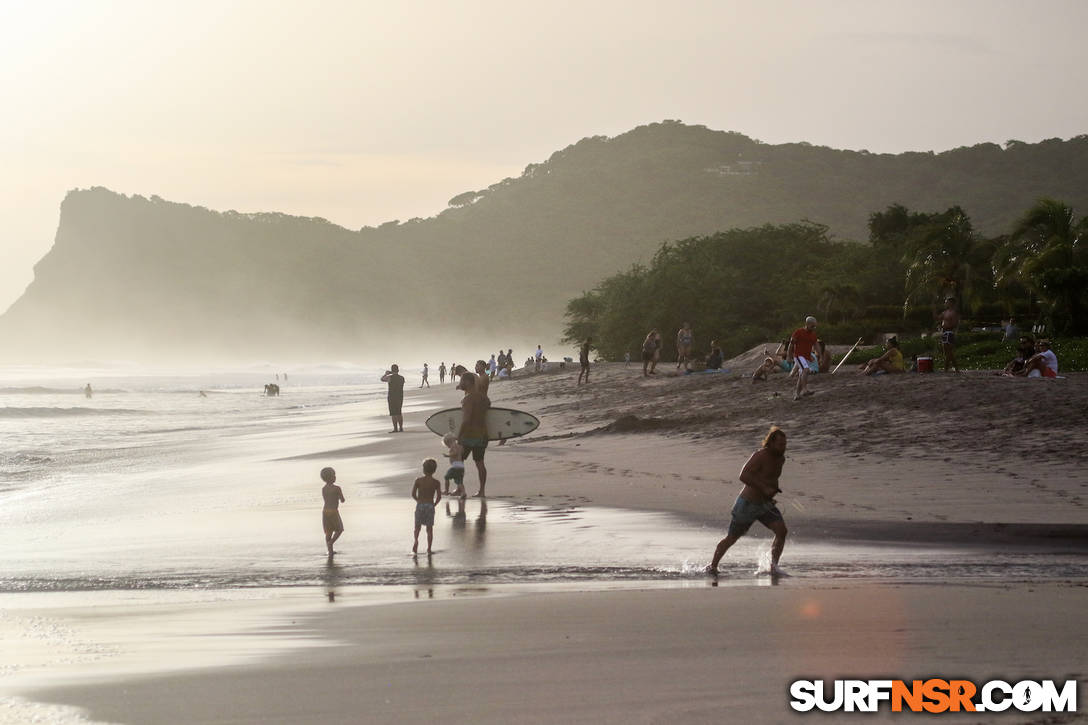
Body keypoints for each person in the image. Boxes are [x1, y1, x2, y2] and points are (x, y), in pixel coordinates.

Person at [707, 427, 789, 575]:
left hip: (765, 505)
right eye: (780, 444)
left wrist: (771, 494)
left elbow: (770, 478)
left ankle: (773, 567)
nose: (783, 447)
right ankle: (712, 566)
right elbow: (743, 476)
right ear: (770, 443)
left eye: (785, 444)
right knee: (732, 538)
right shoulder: (760, 455)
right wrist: (764, 488)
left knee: (782, 531)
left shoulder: (781, 459)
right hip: (747, 504)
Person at [457, 372, 490, 497]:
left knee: (458, 460)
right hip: (482, 435)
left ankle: (460, 488)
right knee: (480, 462)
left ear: (468, 382)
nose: (460, 384)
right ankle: (482, 491)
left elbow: (466, 421)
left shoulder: (467, 399)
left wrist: (459, 437)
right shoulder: (484, 398)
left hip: (469, 436)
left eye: (462, 381)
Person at [411, 458, 442, 555]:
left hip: (420, 505)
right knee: (429, 529)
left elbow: (413, 494)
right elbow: (439, 497)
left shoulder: (418, 480)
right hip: (430, 505)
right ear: (434, 470)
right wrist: (434, 505)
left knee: (417, 527)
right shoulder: (436, 482)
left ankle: (416, 541)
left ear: (423, 469)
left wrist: (418, 501)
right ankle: (429, 549)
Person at [787, 316, 819, 400]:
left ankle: (797, 394)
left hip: (806, 357)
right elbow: (791, 344)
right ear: (807, 324)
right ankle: (805, 390)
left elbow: (816, 345)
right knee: (806, 370)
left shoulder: (813, 335)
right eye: (812, 326)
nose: (814, 328)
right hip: (798, 355)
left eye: (815, 326)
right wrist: (789, 356)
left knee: (802, 375)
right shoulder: (798, 332)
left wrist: (820, 355)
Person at [320, 466, 345, 556]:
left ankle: (330, 550)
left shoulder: (323, 489)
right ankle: (331, 543)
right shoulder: (337, 488)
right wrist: (339, 497)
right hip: (333, 511)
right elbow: (342, 500)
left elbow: (326, 499)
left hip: (325, 511)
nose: (335, 477)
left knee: (328, 531)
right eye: (334, 475)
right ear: (331, 477)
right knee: (340, 529)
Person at [936, 296, 960, 372]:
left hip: (949, 332)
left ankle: (948, 368)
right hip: (944, 332)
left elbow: (955, 324)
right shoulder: (945, 312)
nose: (946, 303)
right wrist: (933, 309)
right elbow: (937, 318)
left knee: (949, 351)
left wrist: (948, 324)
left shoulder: (953, 312)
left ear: (951, 303)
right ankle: (953, 368)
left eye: (947, 302)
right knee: (946, 352)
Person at [380, 364, 405, 432]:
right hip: (400, 396)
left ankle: (395, 428)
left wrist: (386, 374)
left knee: (393, 413)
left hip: (392, 396)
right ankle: (401, 428)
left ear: (392, 370)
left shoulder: (390, 378)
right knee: (399, 412)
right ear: (398, 370)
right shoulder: (402, 378)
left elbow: (382, 379)